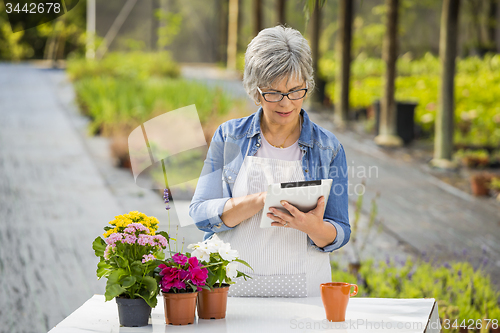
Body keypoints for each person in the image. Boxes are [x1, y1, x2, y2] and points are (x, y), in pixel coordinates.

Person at [189, 25, 350, 297]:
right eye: (273, 93)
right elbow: (200, 213)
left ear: (307, 87)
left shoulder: (328, 147)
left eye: (295, 91)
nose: (286, 103)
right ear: (255, 91)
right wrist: (260, 201)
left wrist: (313, 227)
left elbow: (340, 231)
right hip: (231, 289)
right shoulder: (229, 136)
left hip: (304, 291)